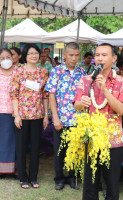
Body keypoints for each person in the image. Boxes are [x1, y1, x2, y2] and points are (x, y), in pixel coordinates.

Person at [74, 43, 123, 200]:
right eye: (97, 55)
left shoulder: (121, 81)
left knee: (112, 185)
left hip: (113, 140)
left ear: (114, 58)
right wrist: (81, 102)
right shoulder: (85, 80)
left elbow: (121, 110)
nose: (100, 58)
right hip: (91, 139)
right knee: (90, 184)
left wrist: (104, 89)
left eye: (104, 55)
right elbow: (77, 106)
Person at [45, 42, 86, 191]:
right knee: (59, 151)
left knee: (75, 149)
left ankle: (72, 177)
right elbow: (51, 95)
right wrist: (55, 117)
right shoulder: (57, 71)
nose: (74, 58)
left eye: (76, 55)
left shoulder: (82, 72)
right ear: (65, 55)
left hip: (78, 119)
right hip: (61, 118)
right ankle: (59, 178)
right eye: (71, 55)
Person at [10, 43, 49, 189]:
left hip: (38, 115)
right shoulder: (18, 71)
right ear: (25, 56)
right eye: (30, 53)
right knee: (20, 147)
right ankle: (22, 177)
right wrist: (17, 115)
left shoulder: (43, 72)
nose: (34, 56)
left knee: (35, 147)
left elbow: (45, 95)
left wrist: (46, 115)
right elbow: (13, 94)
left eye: (36, 53)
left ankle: (33, 177)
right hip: (22, 115)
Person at [0, 48, 17, 178]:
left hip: (17, 112)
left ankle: (14, 169)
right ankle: (1, 170)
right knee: (1, 142)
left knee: (15, 141)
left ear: (13, 58)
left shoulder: (19, 72)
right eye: (2, 58)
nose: (6, 60)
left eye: (8, 57)